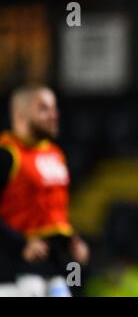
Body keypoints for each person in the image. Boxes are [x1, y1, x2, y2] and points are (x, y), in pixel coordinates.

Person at [0, 85, 89, 297]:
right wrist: (20, 244)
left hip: (53, 269)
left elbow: (51, 211)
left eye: (54, 108)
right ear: (21, 114)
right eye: (44, 108)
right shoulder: (6, 154)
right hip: (13, 273)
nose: (54, 115)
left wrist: (72, 239)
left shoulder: (55, 154)